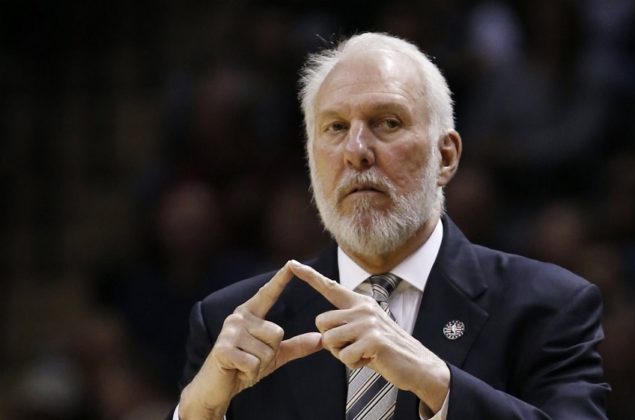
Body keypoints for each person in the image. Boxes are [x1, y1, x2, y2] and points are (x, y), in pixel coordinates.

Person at [169, 32, 610, 420]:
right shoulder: (231, 323)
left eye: (387, 123)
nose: (356, 150)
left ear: (446, 156)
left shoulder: (548, 307)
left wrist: (436, 382)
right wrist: (198, 413)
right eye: (336, 127)